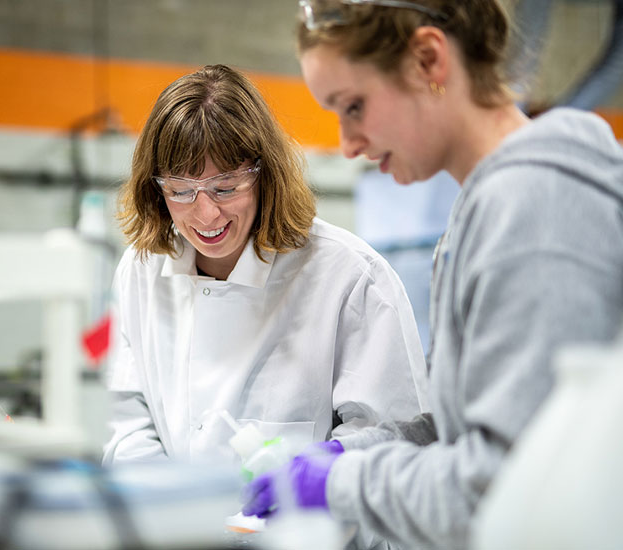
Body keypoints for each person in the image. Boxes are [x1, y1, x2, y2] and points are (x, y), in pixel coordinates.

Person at [241, 1, 623, 548]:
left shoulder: (535, 206)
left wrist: (341, 483)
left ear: (427, 60)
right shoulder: (483, 209)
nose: (349, 145)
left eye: (354, 106)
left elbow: (503, 489)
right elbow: (465, 431)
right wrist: (352, 451)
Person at [102, 64, 429, 468]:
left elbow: (394, 442)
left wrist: (318, 483)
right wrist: (167, 502)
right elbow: (129, 423)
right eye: (181, 191)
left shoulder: (351, 280)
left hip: (308, 527)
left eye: (225, 188)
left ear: (264, 175)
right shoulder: (141, 270)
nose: (205, 215)